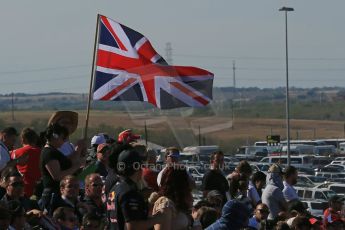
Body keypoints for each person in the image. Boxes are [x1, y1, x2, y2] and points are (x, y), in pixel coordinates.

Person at [107, 149, 165, 230]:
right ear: (137, 168)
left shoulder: (114, 189)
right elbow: (132, 226)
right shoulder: (129, 192)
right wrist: (158, 219)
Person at [40, 123, 85, 211]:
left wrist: (78, 149)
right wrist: (77, 166)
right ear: (55, 136)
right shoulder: (49, 153)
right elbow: (57, 176)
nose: (64, 141)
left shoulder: (54, 151)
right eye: (63, 138)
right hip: (54, 195)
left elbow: (67, 161)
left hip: (59, 194)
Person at [11, 128, 41, 197]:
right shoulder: (41, 152)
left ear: (23, 139)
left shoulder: (15, 152)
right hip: (38, 187)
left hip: (22, 187)